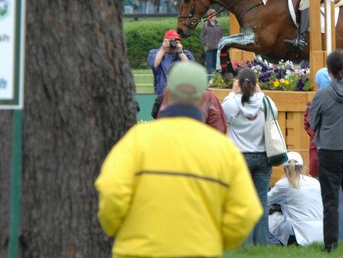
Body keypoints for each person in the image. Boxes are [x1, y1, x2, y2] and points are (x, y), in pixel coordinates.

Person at [95, 62, 261, 258]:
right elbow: (246, 211)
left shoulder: (136, 139)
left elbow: (112, 192)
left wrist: (116, 229)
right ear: (203, 100)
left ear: (166, 94)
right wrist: (215, 240)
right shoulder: (223, 150)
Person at [308, 50, 343, 253]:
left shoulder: (322, 95)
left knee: (331, 201)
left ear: (329, 70)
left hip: (330, 150)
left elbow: (313, 122)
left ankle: (330, 244)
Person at [221, 68, 277, 246]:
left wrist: (233, 91)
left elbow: (224, 115)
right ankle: (261, 241)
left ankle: (244, 243)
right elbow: (274, 113)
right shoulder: (266, 102)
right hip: (262, 155)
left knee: (242, 200)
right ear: (255, 84)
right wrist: (259, 91)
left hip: (240, 156)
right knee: (262, 198)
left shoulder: (231, 103)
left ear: (238, 83)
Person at [268, 152, 324, 246]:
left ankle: (269, 242)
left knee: (271, 218)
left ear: (284, 169)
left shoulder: (283, 184)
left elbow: (264, 200)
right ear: (302, 167)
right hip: (321, 235)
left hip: (299, 236)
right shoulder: (315, 182)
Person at [147, 29, 194, 96]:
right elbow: (154, 65)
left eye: (176, 41)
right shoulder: (155, 53)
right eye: (171, 41)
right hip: (162, 94)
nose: (173, 43)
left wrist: (180, 52)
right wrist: (163, 49)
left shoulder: (185, 54)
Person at [200, 9, 224, 76]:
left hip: (217, 48)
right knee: (209, 64)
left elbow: (222, 35)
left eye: (214, 15)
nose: (213, 16)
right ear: (209, 16)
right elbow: (202, 36)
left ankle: (216, 78)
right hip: (209, 48)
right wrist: (205, 44)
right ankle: (209, 79)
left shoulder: (219, 25)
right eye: (211, 15)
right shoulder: (205, 25)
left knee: (216, 64)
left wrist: (221, 44)